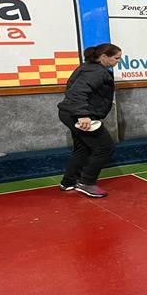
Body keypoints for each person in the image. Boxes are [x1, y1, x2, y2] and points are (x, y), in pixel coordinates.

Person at [56, 44, 122, 198]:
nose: (118, 61)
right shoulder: (96, 71)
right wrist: (83, 115)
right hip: (79, 115)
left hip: (69, 113)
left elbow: (74, 89)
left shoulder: (89, 67)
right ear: (104, 57)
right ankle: (86, 182)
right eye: (116, 58)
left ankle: (68, 182)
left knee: (82, 149)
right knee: (105, 148)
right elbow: (77, 93)